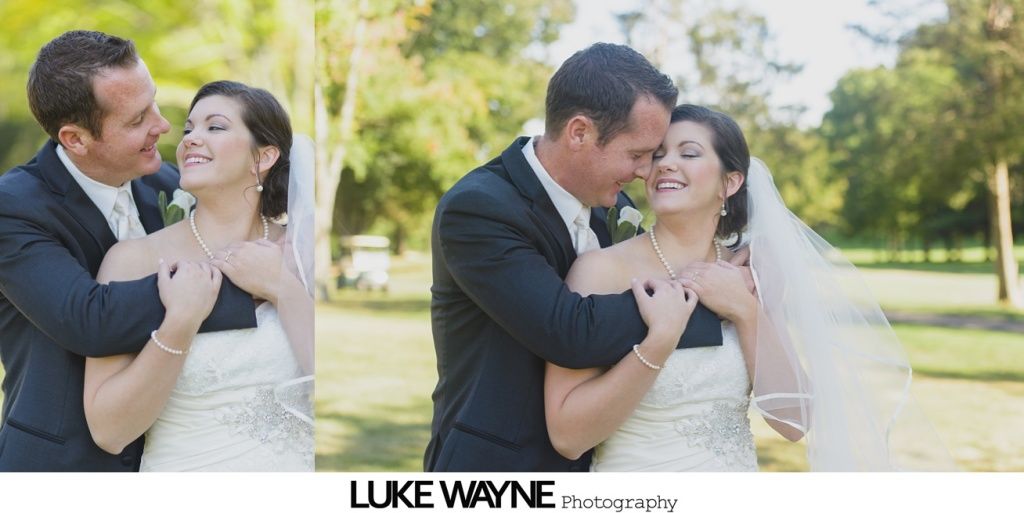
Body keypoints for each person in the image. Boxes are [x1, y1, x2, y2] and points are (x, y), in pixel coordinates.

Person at [545, 104, 952, 471]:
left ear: (731, 182)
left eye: (688, 153)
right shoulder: (600, 272)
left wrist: (746, 310)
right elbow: (567, 437)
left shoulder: (753, 273)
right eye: (657, 155)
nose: (666, 164)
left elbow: (794, 421)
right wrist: (658, 341)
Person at [427, 44, 744, 472]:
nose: (645, 171)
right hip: (498, 467)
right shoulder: (479, 209)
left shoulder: (608, 203)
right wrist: (705, 293)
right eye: (637, 154)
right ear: (579, 132)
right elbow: (568, 330)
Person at [0, 30, 256, 472]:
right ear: (75, 139)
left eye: (153, 102)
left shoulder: (171, 185)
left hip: (180, 458)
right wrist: (251, 284)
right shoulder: (13, 208)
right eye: (137, 119)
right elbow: (88, 319)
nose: (161, 124)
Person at [83, 80, 314, 471]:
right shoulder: (133, 261)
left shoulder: (303, 255)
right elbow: (109, 431)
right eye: (189, 129)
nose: (190, 139)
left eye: (215, 127)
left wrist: (281, 287)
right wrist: (181, 322)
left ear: (265, 156)